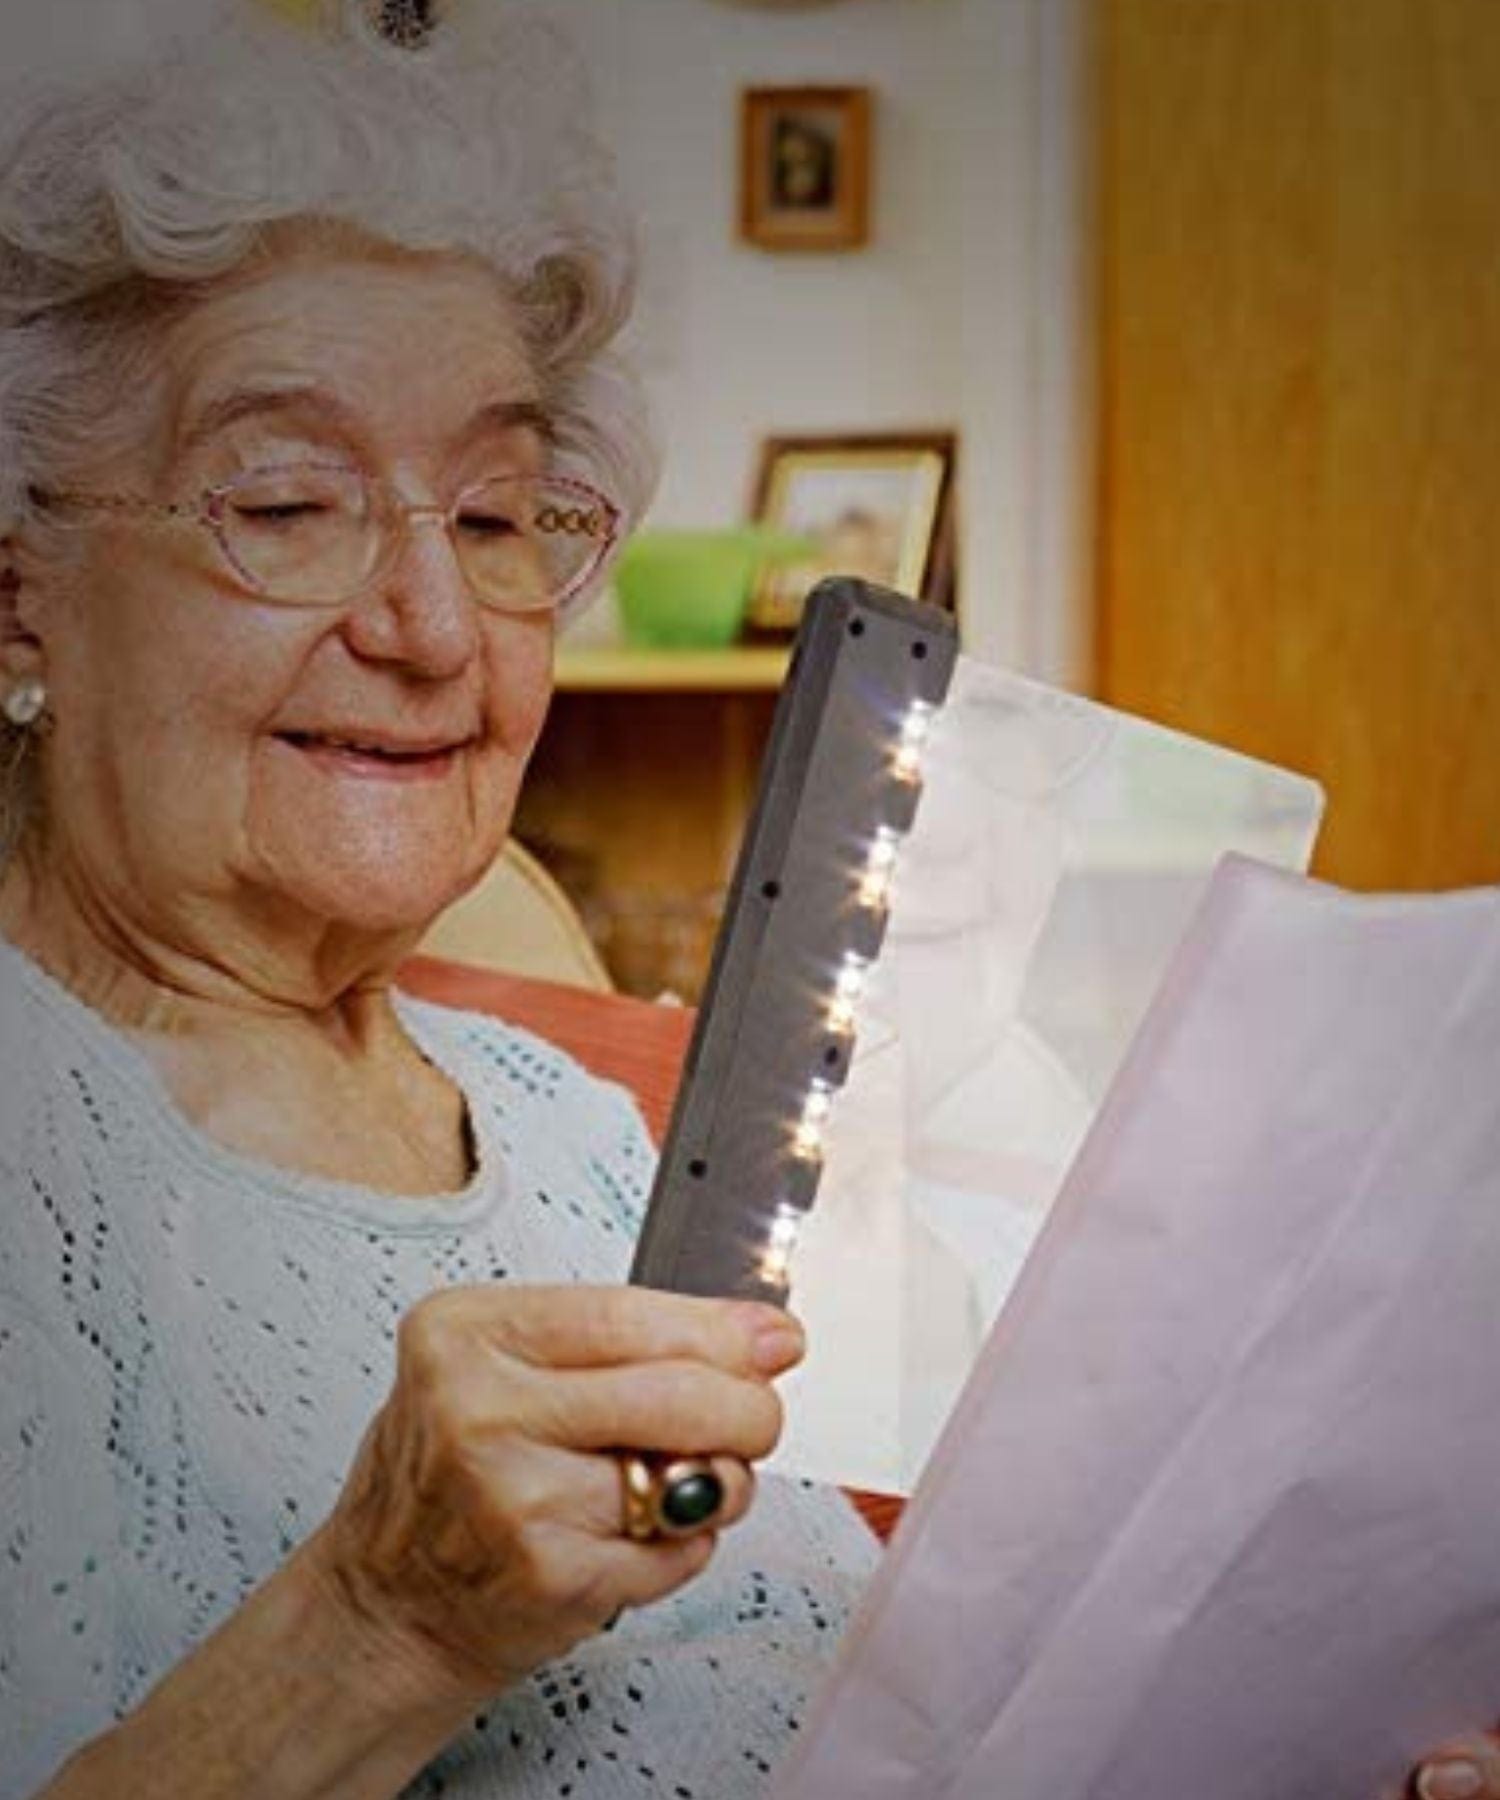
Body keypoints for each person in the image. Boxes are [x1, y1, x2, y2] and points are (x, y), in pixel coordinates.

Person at [0, 4, 877, 1794]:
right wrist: (385, 1622)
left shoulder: (590, 1145)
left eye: (495, 518)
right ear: (21, 603)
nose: (430, 629)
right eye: (289, 501)